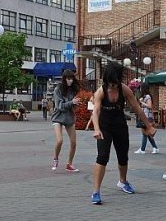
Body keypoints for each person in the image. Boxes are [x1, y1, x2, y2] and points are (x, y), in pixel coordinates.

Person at [91, 62, 155, 204]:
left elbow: (137, 108)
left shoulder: (124, 89)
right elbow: (95, 111)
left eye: (115, 83)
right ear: (106, 79)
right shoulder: (100, 92)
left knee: (122, 156)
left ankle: (123, 181)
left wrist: (148, 126)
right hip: (104, 126)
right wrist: (96, 128)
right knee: (102, 157)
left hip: (120, 125)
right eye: (110, 83)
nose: (113, 86)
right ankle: (96, 192)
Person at [50, 69, 82, 172]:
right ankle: (55, 158)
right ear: (64, 79)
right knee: (59, 140)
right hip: (58, 117)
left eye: (72, 78)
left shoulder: (73, 90)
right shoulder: (57, 89)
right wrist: (71, 102)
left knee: (73, 143)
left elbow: (71, 105)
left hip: (69, 117)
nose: (70, 81)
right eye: (68, 79)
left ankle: (69, 164)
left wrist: (76, 104)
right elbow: (59, 106)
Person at [134, 84, 159, 154]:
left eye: (141, 88)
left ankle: (142, 149)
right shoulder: (145, 96)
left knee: (145, 133)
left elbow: (150, 106)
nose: (140, 90)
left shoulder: (147, 96)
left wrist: (142, 102)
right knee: (147, 133)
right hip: (145, 116)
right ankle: (155, 148)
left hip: (148, 117)